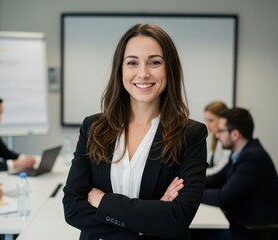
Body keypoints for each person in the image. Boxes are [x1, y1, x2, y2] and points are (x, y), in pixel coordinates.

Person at [63, 23, 208, 240]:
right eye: (132, 62)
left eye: (155, 62)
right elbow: (73, 209)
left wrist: (103, 202)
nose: (143, 73)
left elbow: (178, 217)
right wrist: (143, 225)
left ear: (170, 69)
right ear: (120, 69)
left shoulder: (190, 134)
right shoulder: (93, 128)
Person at [198, 107, 278, 240]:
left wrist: (191, 193)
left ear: (235, 134)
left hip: (250, 230)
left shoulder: (252, 158)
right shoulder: (240, 153)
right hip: (239, 222)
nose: (217, 136)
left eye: (221, 131)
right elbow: (216, 179)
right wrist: (189, 182)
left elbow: (222, 197)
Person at [203, 101, 231, 175]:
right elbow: (208, 164)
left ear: (223, 120)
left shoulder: (228, 141)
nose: (207, 124)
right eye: (206, 120)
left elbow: (220, 170)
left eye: (211, 120)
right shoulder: (214, 138)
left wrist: (198, 174)